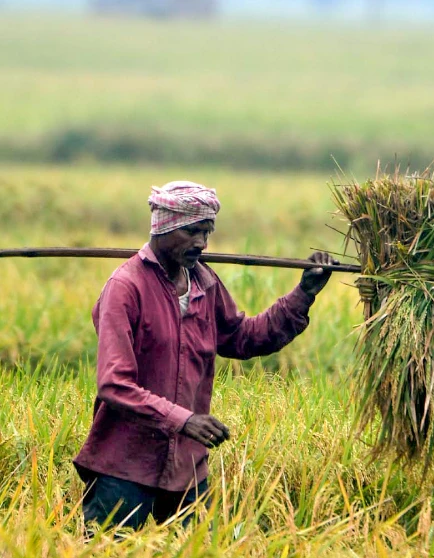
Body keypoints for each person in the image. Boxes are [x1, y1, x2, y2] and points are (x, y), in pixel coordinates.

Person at [72, 180, 338, 531]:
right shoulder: (126, 288)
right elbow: (114, 384)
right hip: (125, 466)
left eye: (207, 232)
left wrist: (304, 293)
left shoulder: (204, 284)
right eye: (192, 232)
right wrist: (184, 419)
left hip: (186, 467)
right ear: (164, 227)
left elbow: (246, 338)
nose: (201, 243)